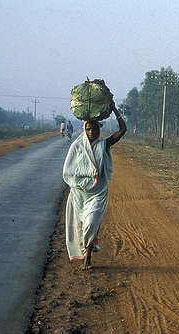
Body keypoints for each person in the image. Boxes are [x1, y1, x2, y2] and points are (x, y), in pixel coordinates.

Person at [62, 101, 126, 270]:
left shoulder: (104, 145)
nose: (92, 132)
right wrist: (80, 182)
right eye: (89, 129)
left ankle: (88, 256)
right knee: (83, 227)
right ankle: (87, 250)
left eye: (95, 129)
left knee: (90, 223)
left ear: (99, 129)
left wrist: (113, 108)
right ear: (84, 129)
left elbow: (122, 130)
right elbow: (68, 171)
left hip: (98, 194)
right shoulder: (77, 146)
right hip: (80, 194)